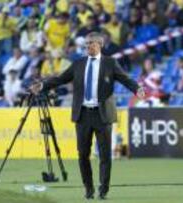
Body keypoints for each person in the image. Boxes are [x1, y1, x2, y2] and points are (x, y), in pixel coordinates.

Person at [30, 32, 145, 200]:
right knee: (83, 154)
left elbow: (125, 79)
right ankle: (88, 188)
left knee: (105, 155)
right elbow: (60, 79)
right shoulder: (78, 64)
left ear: (100, 44)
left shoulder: (110, 63)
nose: (88, 46)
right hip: (82, 114)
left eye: (91, 43)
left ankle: (103, 189)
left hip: (102, 114)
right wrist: (42, 86)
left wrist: (137, 88)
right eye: (86, 44)